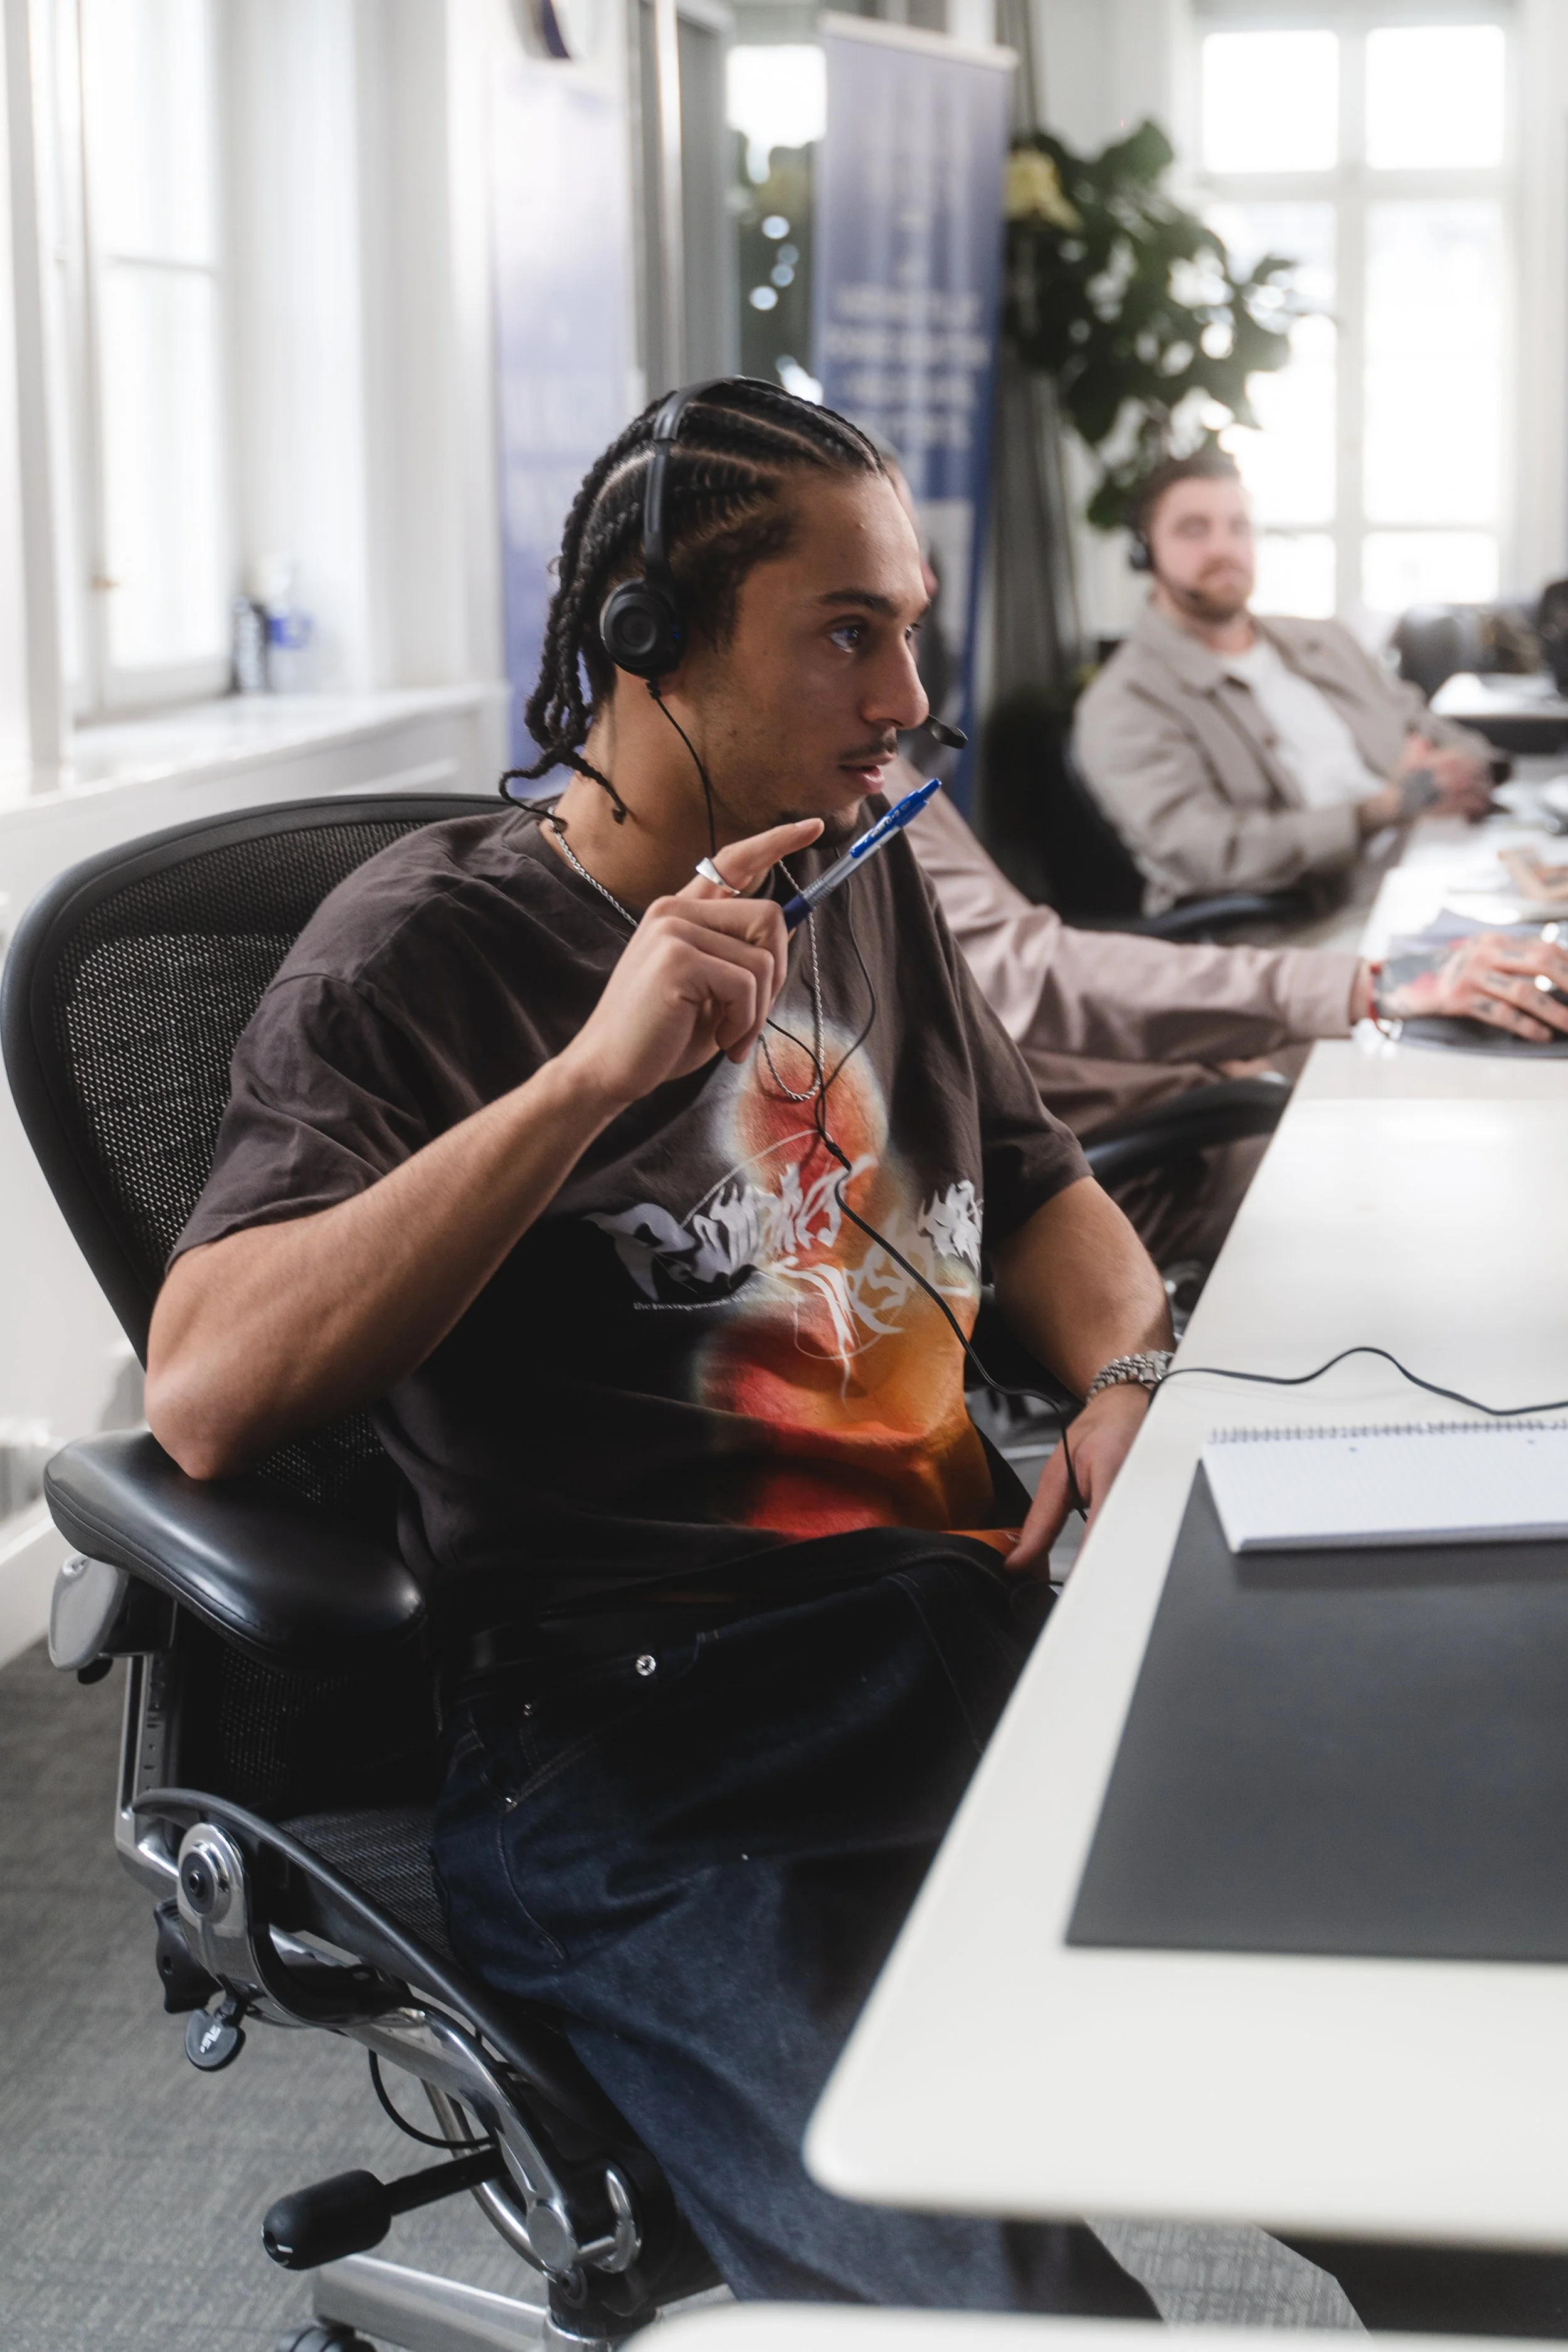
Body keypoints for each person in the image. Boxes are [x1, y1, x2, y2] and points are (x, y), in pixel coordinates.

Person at [143, 381, 1568, 2332]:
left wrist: (1129, 1371)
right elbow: (208, 1386)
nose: (904, 687)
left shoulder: (851, 867)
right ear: (645, 640)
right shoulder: (417, 957)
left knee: (1452, 2147)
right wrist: (591, 1076)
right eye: (844, 631)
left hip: (954, 1648)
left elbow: (1046, 1180)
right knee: (1016, 2318)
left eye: (907, 625)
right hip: (644, 1757)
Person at [906, 769, 1568, 1267]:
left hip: (1180, 1058)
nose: (906, 698)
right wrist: (1367, 983)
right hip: (1115, 1158)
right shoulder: (851, 804)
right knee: (1472, 1183)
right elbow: (1033, 973)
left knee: (1484, 1086)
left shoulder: (883, 759)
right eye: (852, 633)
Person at [1073, 448, 1495, 914]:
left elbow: (1455, 742)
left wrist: (1454, 772)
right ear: (1144, 550)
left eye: (1238, 527)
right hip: (1301, 936)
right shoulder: (1125, 702)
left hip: (1427, 877)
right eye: (1194, 530)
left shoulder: (1327, 641)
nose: (1223, 548)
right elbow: (1213, 853)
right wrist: (1383, 808)